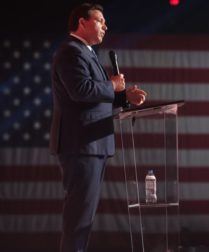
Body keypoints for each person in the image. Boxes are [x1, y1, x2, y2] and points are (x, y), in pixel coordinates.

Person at [49, 3, 147, 252]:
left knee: (84, 217)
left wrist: (125, 97)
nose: (106, 25)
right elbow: (80, 91)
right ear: (82, 22)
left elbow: (96, 98)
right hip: (81, 144)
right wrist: (113, 86)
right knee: (78, 218)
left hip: (93, 143)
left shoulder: (87, 52)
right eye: (100, 20)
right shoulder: (71, 52)